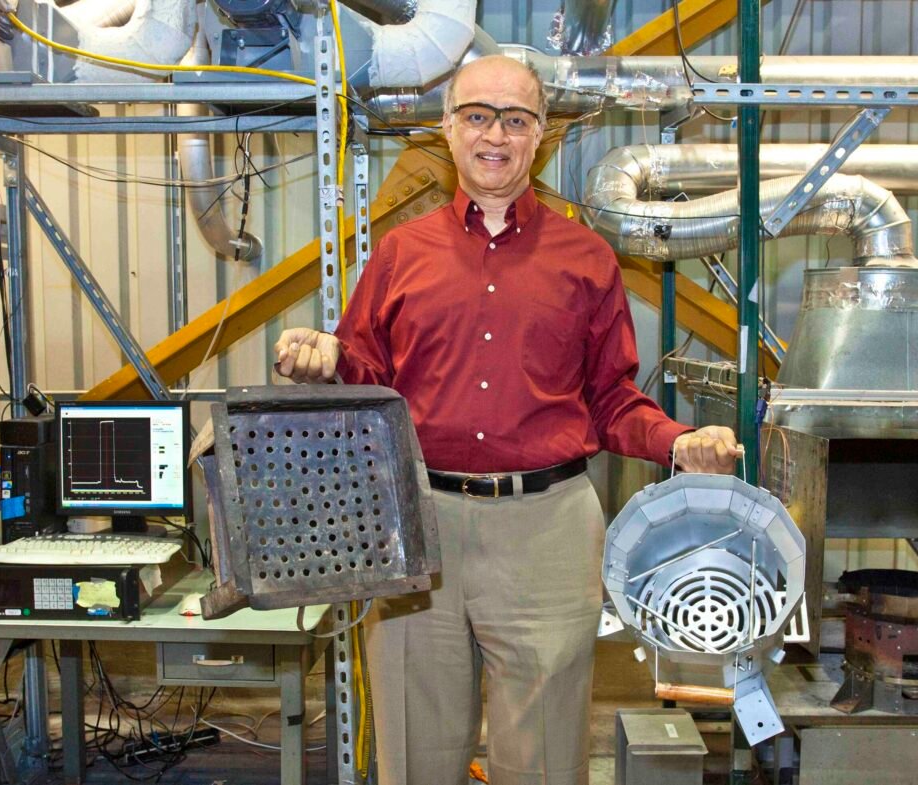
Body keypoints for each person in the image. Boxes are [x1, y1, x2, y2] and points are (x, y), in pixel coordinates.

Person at [274, 54, 740, 785]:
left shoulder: (586, 259)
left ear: (540, 134)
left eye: (516, 119)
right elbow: (365, 374)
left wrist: (681, 442)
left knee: (546, 760)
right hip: (416, 524)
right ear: (449, 129)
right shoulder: (399, 255)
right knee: (415, 753)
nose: (497, 134)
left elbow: (612, 398)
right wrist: (323, 355)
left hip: (547, 530)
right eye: (479, 116)